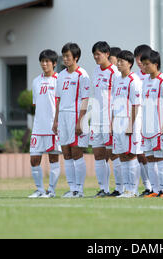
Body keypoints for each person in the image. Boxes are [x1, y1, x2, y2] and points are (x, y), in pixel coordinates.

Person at [53, 43, 90, 198]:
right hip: (62, 117)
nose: (65, 59)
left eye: (68, 56)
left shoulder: (83, 75)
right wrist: (55, 121)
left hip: (76, 116)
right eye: (64, 56)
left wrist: (80, 121)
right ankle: (72, 188)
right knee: (66, 153)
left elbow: (85, 99)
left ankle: (79, 189)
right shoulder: (60, 75)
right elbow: (58, 99)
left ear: (76, 57)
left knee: (76, 152)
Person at [88, 41, 122, 197]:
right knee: (98, 154)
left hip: (109, 119)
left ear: (107, 54)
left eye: (98, 54)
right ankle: (104, 189)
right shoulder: (95, 71)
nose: (96, 57)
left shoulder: (115, 72)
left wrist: (115, 120)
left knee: (114, 154)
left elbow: (117, 98)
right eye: (94, 54)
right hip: (96, 119)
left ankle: (120, 188)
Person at [27, 49, 62, 198]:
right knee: (34, 159)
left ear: (54, 63)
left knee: (53, 158)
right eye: (42, 61)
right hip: (38, 127)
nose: (44, 64)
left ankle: (51, 191)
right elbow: (36, 104)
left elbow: (61, 103)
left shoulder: (59, 79)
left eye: (47, 61)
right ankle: (39, 190)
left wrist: (57, 122)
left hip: (53, 127)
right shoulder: (36, 81)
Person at [140, 50, 163, 198]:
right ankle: (154, 190)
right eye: (143, 64)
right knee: (149, 158)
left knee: (160, 158)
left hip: (159, 126)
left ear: (156, 64)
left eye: (147, 64)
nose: (144, 67)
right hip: (147, 126)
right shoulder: (145, 81)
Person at [111, 50, 143, 198]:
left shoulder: (134, 80)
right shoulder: (117, 79)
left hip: (129, 121)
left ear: (129, 63)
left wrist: (130, 124)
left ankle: (133, 189)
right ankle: (126, 189)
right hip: (117, 121)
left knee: (130, 155)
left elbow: (136, 105)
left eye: (121, 61)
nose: (118, 64)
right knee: (121, 156)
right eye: (117, 61)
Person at [133, 44, 153, 196]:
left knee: (150, 154)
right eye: (137, 58)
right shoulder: (134, 77)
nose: (139, 61)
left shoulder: (153, 76)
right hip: (138, 119)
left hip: (151, 120)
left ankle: (156, 186)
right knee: (139, 154)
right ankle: (147, 186)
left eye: (141, 58)